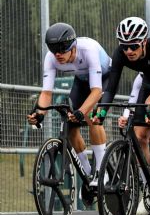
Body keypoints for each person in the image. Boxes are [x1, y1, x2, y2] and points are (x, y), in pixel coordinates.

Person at [93, 16, 150, 215]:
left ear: (144, 42)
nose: (129, 51)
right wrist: (101, 111)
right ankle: (148, 189)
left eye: (134, 46)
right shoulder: (121, 53)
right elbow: (111, 88)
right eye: (125, 46)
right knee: (139, 136)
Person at [26, 23, 110, 187]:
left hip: (105, 79)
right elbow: (46, 93)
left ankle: (102, 172)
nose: (58, 55)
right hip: (82, 81)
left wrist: (81, 111)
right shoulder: (51, 58)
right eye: (53, 50)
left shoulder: (88, 50)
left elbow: (96, 90)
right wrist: (40, 113)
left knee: (92, 116)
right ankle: (88, 174)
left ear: (72, 46)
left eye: (62, 50)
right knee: (70, 126)